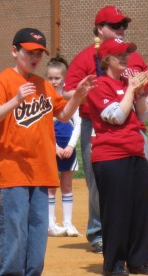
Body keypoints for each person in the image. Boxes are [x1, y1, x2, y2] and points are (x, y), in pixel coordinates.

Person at [0, 28, 97, 275]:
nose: (35, 58)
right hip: (13, 170)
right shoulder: (2, 81)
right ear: (14, 51)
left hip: (43, 169)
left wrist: (77, 96)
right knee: (13, 228)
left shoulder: (44, 85)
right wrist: (15, 100)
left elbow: (64, 115)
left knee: (37, 229)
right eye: (30, 52)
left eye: (39, 53)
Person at [63, 5, 148, 254]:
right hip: (98, 126)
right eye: (115, 25)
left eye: (124, 26)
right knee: (100, 181)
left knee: (135, 179)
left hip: (133, 124)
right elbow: (68, 90)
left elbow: (146, 88)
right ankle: (98, 232)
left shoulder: (133, 57)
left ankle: (130, 234)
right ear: (100, 29)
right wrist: (100, 101)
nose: (121, 29)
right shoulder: (87, 57)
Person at [86, 38, 148, 275]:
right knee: (116, 210)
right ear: (106, 60)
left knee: (140, 208)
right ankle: (114, 263)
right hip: (110, 155)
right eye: (120, 55)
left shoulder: (128, 82)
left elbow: (142, 116)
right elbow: (115, 116)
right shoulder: (99, 84)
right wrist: (131, 90)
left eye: (127, 54)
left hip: (135, 151)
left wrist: (142, 91)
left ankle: (138, 260)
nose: (126, 58)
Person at [46, 55, 82, 237]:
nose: (53, 82)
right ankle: (50, 223)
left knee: (67, 185)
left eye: (57, 78)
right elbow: (41, 129)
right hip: (50, 148)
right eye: (50, 78)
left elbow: (78, 125)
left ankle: (68, 223)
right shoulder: (44, 99)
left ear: (64, 79)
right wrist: (54, 148)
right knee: (51, 186)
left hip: (68, 149)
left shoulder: (70, 99)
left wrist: (70, 146)